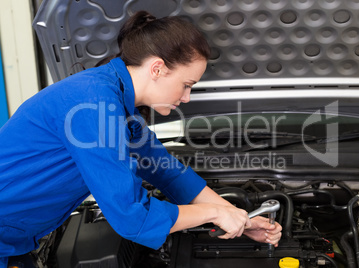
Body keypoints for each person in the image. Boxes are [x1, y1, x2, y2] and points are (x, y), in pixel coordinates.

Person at [0, 11, 282, 266]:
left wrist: (239, 218)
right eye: (186, 85)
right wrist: (212, 213)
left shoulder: (118, 104)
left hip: (17, 243)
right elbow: (131, 216)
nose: (186, 98)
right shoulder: (93, 104)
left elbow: (168, 173)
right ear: (157, 68)